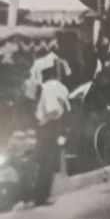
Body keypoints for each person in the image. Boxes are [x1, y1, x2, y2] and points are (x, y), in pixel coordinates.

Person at [33, 65, 71, 206]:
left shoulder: (44, 87)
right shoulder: (60, 87)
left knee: (45, 161)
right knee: (50, 161)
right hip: (54, 125)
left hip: (44, 126)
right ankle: (43, 195)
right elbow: (61, 108)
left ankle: (41, 196)